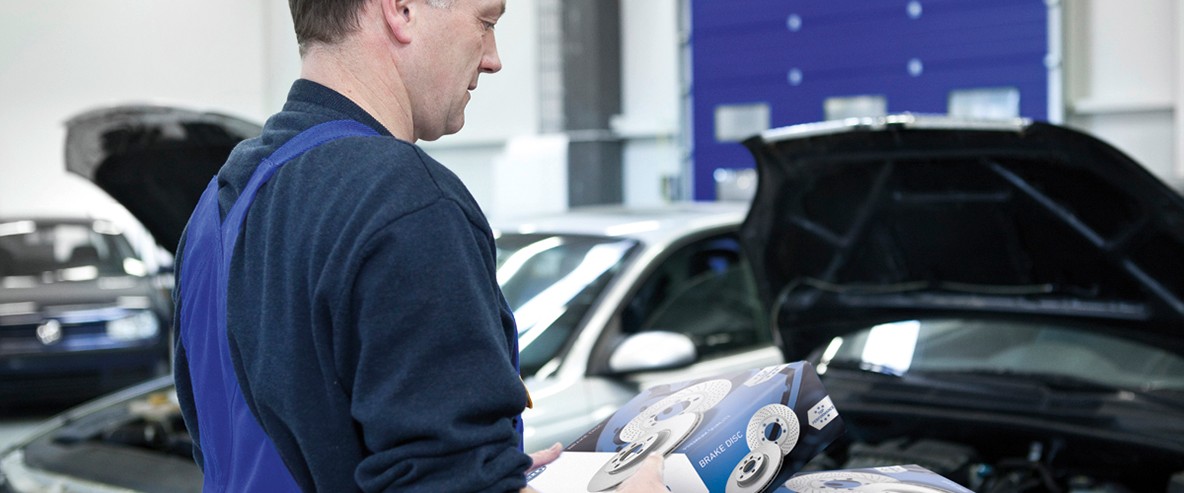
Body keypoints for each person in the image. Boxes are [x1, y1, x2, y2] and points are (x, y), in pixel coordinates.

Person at [171, 0, 667, 491]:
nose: (493, 58)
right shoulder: (405, 201)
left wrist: (482, 471)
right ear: (401, 9)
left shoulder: (216, 209)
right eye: (486, 22)